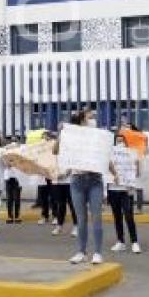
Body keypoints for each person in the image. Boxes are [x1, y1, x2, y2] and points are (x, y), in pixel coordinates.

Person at [60, 109, 117, 265]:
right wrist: (62, 136)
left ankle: (98, 252)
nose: (93, 118)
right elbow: (56, 151)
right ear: (82, 120)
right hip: (77, 180)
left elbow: (104, 157)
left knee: (96, 217)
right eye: (90, 116)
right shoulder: (70, 136)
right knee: (81, 219)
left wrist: (114, 173)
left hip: (94, 180)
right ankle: (81, 252)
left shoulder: (95, 136)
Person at [108, 134, 141, 254]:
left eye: (122, 141)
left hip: (127, 190)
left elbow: (136, 174)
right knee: (117, 216)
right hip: (113, 189)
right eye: (118, 141)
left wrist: (137, 165)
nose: (120, 143)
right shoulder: (110, 154)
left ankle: (134, 242)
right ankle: (120, 241)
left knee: (129, 215)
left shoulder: (131, 154)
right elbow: (107, 169)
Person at [4, 139, 23, 224]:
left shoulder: (20, 155)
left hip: (17, 179)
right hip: (8, 179)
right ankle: (10, 216)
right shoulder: (6, 155)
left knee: (17, 198)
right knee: (9, 199)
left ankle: (17, 215)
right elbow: (7, 165)